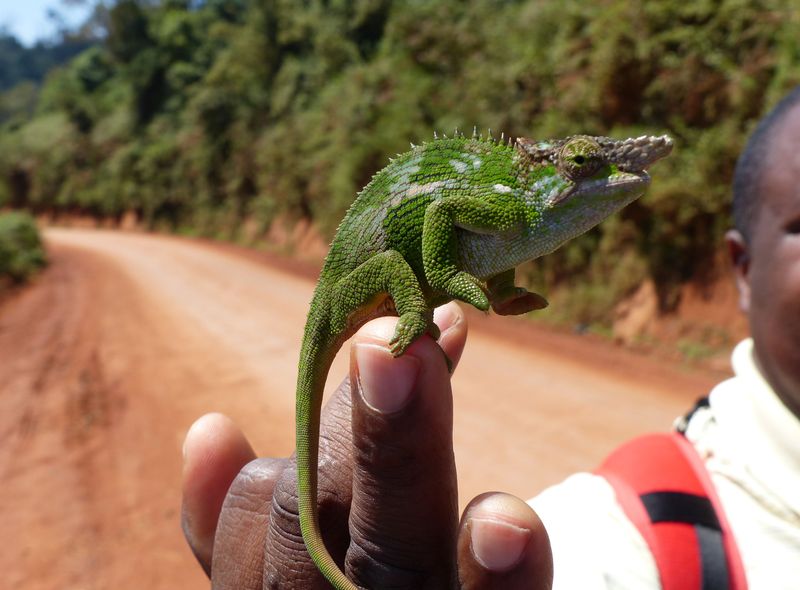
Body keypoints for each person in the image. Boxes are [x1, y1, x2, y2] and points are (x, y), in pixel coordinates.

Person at [180, 86, 800, 589]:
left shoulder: (519, 215)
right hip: (364, 272)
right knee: (398, 279)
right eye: (584, 164)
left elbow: (487, 244)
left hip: (399, 260)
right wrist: (443, 281)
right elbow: (439, 212)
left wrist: (497, 291)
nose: (602, 178)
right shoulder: (515, 204)